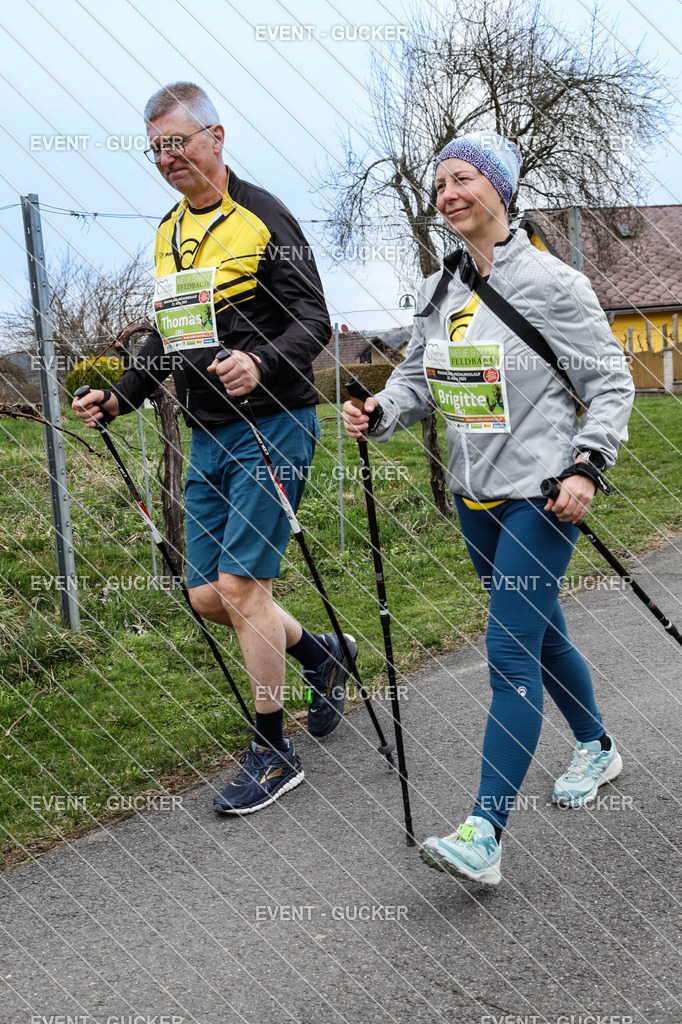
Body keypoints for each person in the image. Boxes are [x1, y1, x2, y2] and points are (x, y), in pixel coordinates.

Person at [343, 131, 634, 885]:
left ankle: (485, 833)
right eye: (440, 184)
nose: (448, 194)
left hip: (541, 495)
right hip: (473, 500)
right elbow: (416, 378)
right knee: (539, 635)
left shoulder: (554, 283)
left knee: (507, 654)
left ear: (499, 188)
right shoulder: (440, 287)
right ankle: (597, 746)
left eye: (464, 178)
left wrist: (588, 466)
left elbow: (610, 383)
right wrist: (381, 411)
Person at [74, 82, 356, 816]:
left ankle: (273, 748)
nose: (168, 158)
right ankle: (323, 657)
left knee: (240, 589)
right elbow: (170, 336)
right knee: (206, 595)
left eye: (179, 142)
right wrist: (120, 395)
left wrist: (262, 361)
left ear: (216, 136)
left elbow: (313, 319)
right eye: (157, 148)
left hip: (274, 424)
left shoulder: (265, 217)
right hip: (208, 435)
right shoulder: (169, 231)